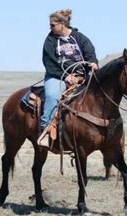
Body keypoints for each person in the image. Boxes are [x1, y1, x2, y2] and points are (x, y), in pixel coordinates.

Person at [37, 9, 99, 148]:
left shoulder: (80, 38)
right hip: (57, 76)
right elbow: (49, 63)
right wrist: (65, 76)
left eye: (52, 25)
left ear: (62, 24)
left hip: (82, 76)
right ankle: (46, 130)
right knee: (53, 95)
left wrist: (93, 63)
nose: (50, 28)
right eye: (50, 25)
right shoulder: (50, 40)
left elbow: (90, 54)